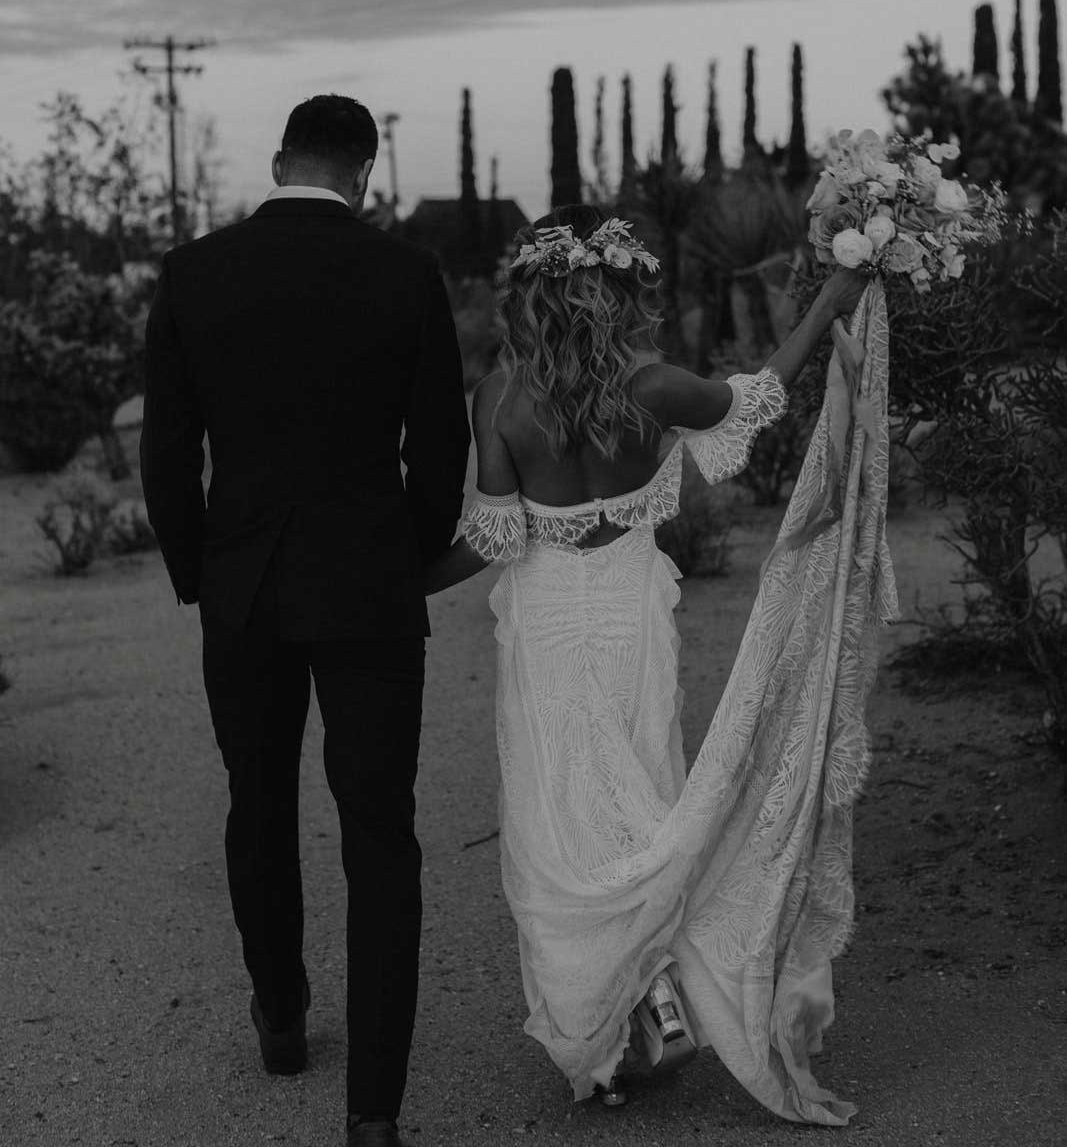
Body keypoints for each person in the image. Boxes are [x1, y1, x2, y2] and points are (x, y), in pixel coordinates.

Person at [425, 205, 878, 1126]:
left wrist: (396, 592)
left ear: (534, 292)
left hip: (548, 622)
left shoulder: (500, 397)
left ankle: (601, 1034)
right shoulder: (655, 384)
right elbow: (758, 394)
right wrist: (827, 300)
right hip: (630, 611)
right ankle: (660, 986)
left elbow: (492, 537)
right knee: (644, 788)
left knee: (559, 810)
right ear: (618, 289)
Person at [140, 95, 470, 1147]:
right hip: (368, 581)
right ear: (363, 175)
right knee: (380, 830)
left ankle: (280, 1014)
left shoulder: (193, 272)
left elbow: (165, 455)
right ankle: (372, 1109)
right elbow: (440, 449)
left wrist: (201, 573)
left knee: (258, 798)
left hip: (242, 585)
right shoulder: (406, 275)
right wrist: (405, 562)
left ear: (279, 160)